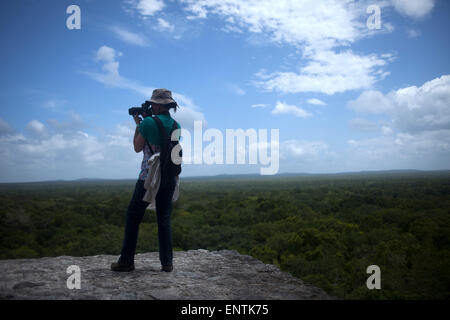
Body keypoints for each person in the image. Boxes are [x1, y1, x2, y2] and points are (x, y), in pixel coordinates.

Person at [111, 88, 181, 272]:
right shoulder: (176, 125)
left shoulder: (148, 122)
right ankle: (167, 262)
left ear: (156, 105)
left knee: (133, 216)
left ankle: (126, 260)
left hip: (148, 177)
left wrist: (138, 124)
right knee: (164, 218)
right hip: (168, 176)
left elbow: (137, 146)